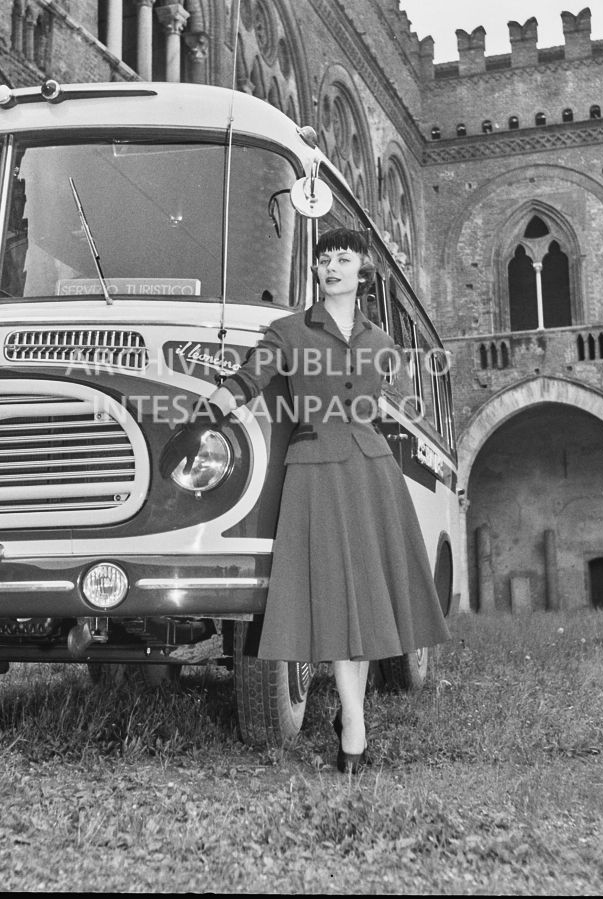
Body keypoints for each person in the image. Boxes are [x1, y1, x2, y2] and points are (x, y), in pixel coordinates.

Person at [162, 227, 450, 772]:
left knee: (362, 602)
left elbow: (406, 411)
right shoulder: (287, 331)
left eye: (342, 258)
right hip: (315, 470)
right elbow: (248, 381)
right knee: (339, 599)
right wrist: (200, 422)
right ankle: (355, 724)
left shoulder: (383, 345)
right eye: (322, 260)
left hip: (371, 473)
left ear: (363, 272)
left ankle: (353, 718)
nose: (330, 267)